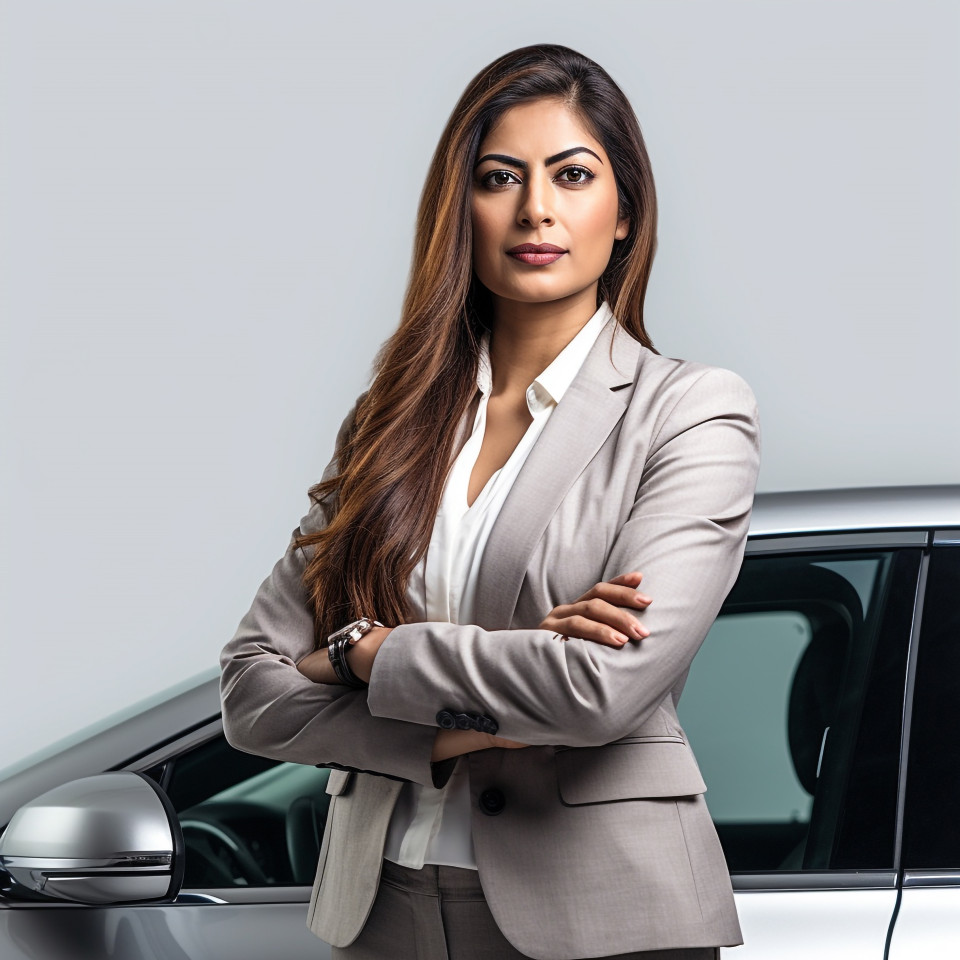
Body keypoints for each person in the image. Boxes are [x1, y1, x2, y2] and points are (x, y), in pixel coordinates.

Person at [220, 42, 760, 960]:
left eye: (573, 175)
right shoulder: (387, 425)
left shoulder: (690, 411)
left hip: (604, 917)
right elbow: (252, 686)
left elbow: (600, 689)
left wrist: (365, 656)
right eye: (500, 177)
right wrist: (448, 740)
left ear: (625, 212)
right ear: (458, 209)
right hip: (383, 908)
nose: (536, 208)